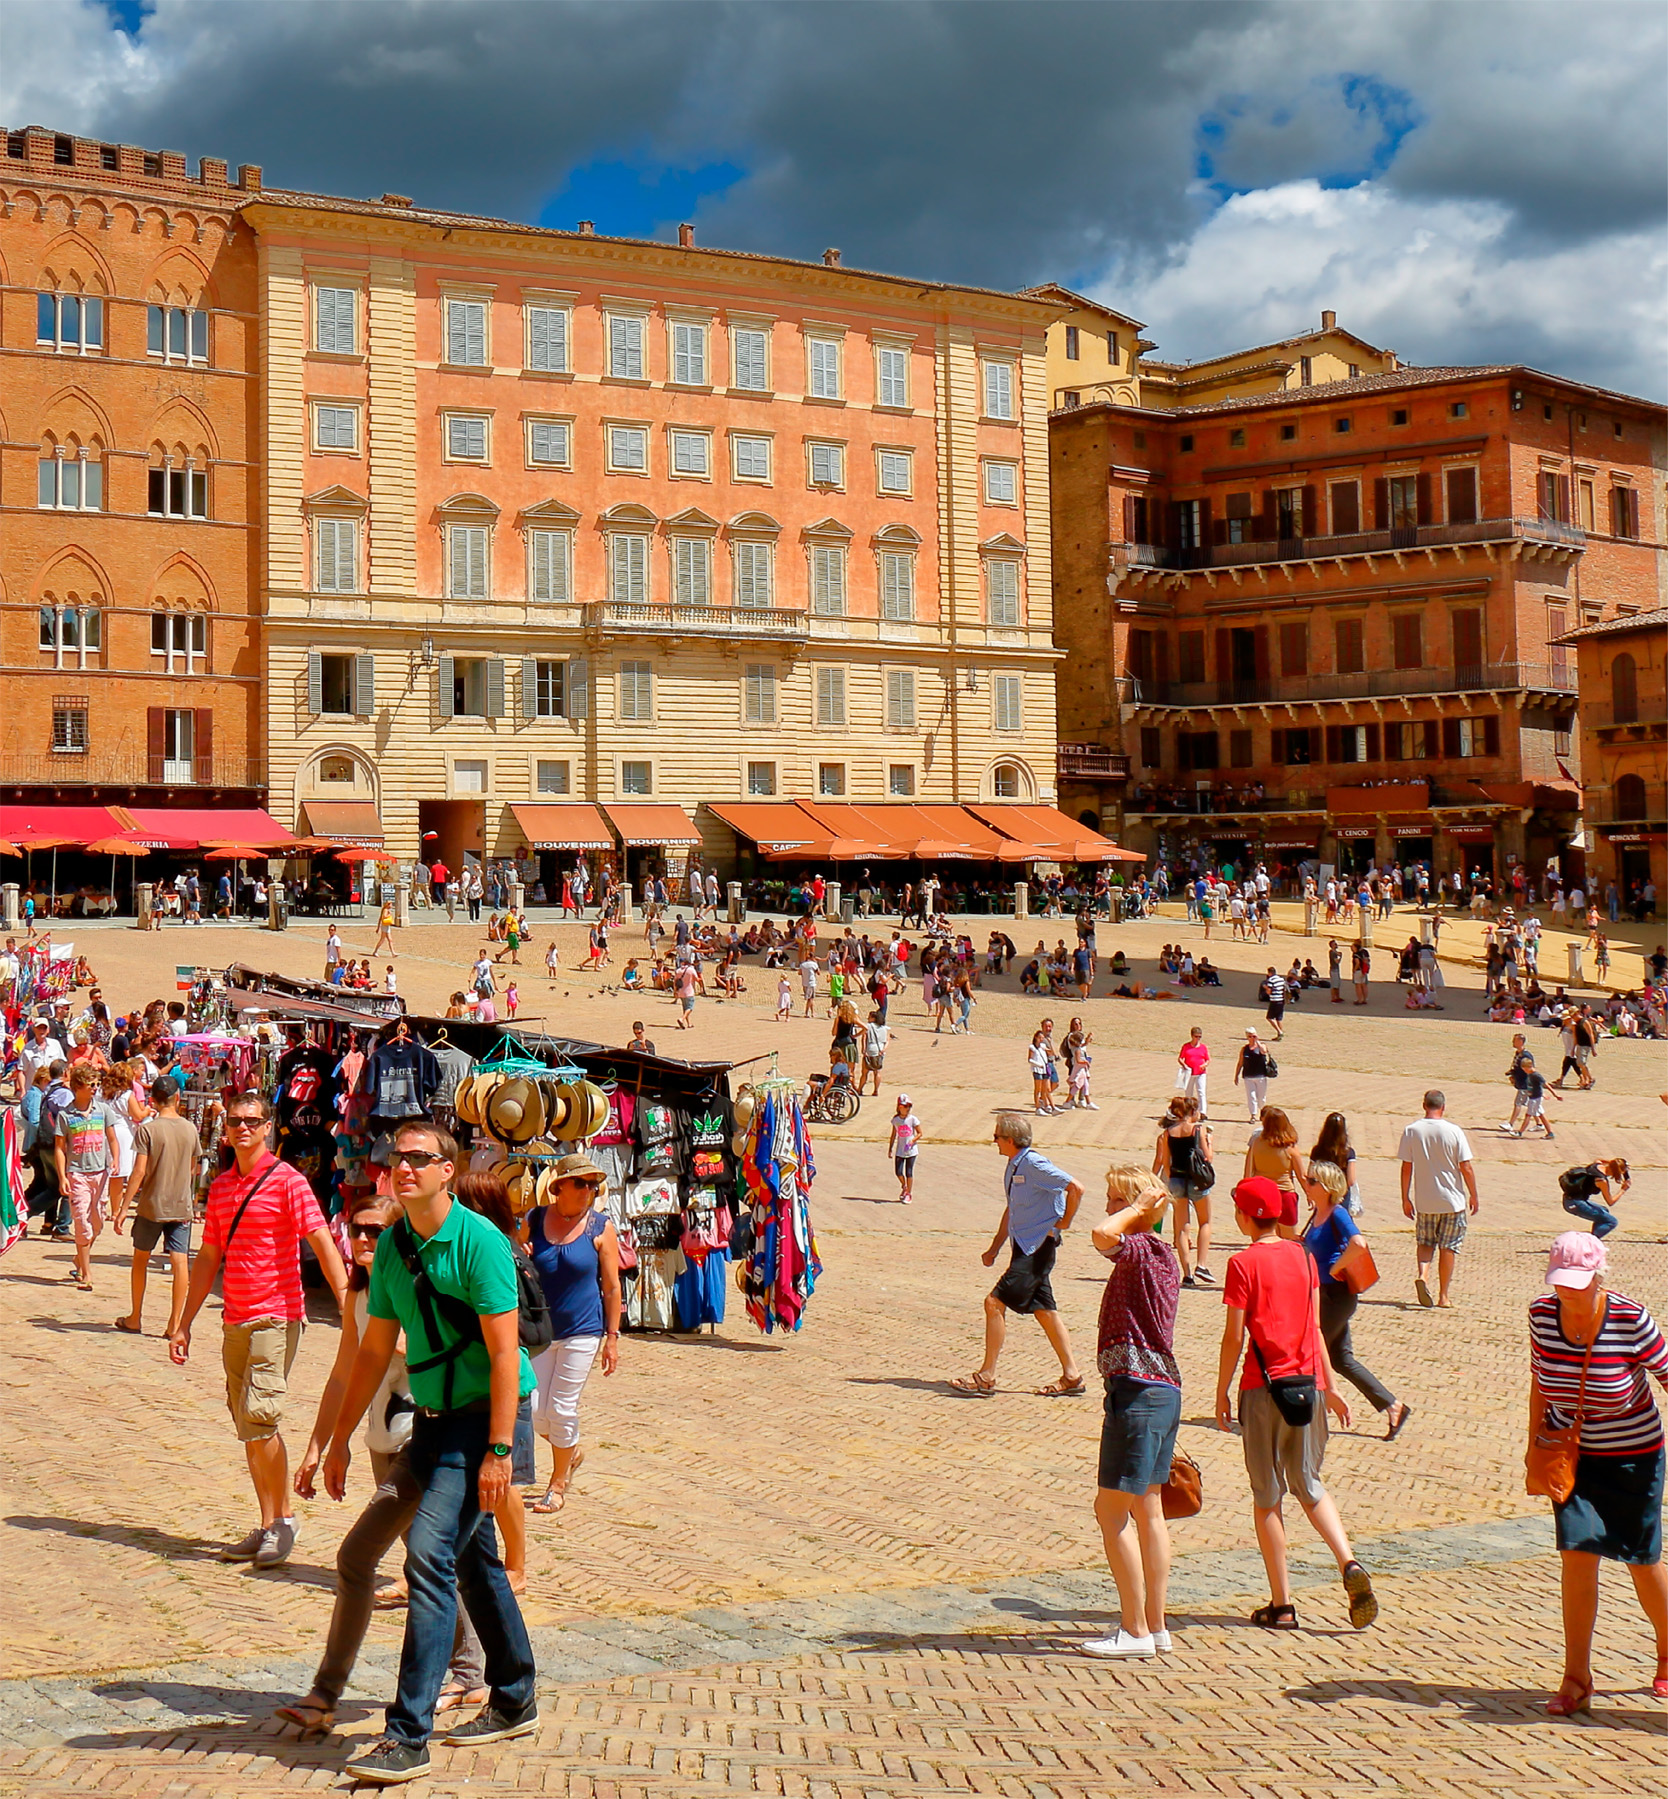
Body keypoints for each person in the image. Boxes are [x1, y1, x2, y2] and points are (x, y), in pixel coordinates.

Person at [322, 1119, 539, 1785]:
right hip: (435, 1419)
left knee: (430, 1554)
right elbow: (373, 1349)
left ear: (449, 1169)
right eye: (398, 1157)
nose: (405, 1166)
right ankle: (515, 1695)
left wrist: (501, 1451)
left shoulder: (479, 1244)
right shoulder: (392, 1245)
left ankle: (408, 1733)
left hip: (486, 1418)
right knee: (474, 1563)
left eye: (421, 1157)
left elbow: (506, 1353)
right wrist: (337, 1440)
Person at [278, 1197, 493, 1743]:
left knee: (426, 1558)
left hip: (426, 1438)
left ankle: (459, 1679)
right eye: (357, 1228)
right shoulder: (358, 1295)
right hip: (384, 1439)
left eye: (379, 1230)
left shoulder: (410, 1290)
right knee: (445, 1559)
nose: (366, 1239)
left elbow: (419, 1351)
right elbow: (344, 1372)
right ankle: (476, 1674)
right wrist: (325, 1444)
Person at [171, 1091, 349, 1569]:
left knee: (261, 1416)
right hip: (235, 1317)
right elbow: (209, 1255)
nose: (242, 1128)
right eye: (234, 1121)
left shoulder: (289, 1181)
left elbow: (322, 1241)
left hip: (277, 1313)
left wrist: (346, 1300)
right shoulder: (223, 1186)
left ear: (268, 1127)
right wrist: (184, 1322)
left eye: (252, 1121)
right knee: (249, 1427)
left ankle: (284, 1521)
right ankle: (268, 1520)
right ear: (226, 1128)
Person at [1215, 1175, 1379, 1633]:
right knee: (1309, 1482)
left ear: (1247, 1216)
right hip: (1306, 1384)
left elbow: (1234, 1336)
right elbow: (1312, 1327)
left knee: (1267, 1496)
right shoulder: (1305, 1257)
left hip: (1261, 1386)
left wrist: (1221, 1389)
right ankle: (1347, 1561)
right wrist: (1329, 1384)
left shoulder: (1242, 1263)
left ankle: (1283, 1604)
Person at [1530, 1232, 1668, 1714]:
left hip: (1636, 1458)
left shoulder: (1631, 1319)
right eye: (1560, 1282)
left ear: (1598, 1276)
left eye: (1578, 1282)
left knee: (1641, 1561)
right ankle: (1576, 1678)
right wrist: (1535, 1451)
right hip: (1576, 1461)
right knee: (1577, 1555)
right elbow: (1540, 1383)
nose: (1567, 1290)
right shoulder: (1541, 1316)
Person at [1082, 1165, 1181, 1659]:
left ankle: (1135, 1629)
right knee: (1149, 1509)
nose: (1106, 1208)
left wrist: (1138, 1210)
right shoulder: (1167, 1254)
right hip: (1162, 1391)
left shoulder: (1140, 1246)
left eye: (1111, 1199)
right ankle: (1155, 1625)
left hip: (1137, 1393)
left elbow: (1102, 1235)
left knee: (1110, 1510)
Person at [949, 1114, 1085, 1398]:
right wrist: (995, 1248)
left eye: (997, 1136)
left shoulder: (1034, 1163)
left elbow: (1075, 1188)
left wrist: (1064, 1222)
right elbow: (1012, 1210)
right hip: (1024, 1246)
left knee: (994, 1302)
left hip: (1038, 1249)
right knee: (1045, 1312)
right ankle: (1072, 1376)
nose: (993, 1140)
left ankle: (986, 1376)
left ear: (1010, 1140)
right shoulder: (1014, 1165)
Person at [524, 1154, 621, 1516]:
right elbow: (513, 1261)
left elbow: (611, 1288)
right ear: (558, 1186)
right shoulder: (534, 1220)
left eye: (593, 1185)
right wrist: (522, 1252)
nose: (588, 1191)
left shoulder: (600, 1228)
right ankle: (571, 1451)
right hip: (541, 1329)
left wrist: (612, 1337)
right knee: (534, 1410)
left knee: (561, 1409)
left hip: (583, 1330)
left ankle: (557, 1483)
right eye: (580, 1183)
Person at [1303, 1160, 1410, 1438]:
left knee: (1313, 1350)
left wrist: (1335, 1267)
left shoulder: (1337, 1214)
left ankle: (1310, 1415)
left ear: (1327, 1187)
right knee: (1340, 1359)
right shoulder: (1316, 1214)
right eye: (1307, 1179)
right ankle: (1393, 1406)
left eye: (1312, 1181)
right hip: (1323, 1295)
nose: (1307, 1184)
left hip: (1336, 1297)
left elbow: (1359, 1243)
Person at [113, 1074, 200, 1338]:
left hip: (151, 1205)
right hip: (180, 1204)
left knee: (140, 1257)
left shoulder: (148, 1130)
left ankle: (135, 1316)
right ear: (178, 1098)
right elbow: (193, 1168)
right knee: (180, 1262)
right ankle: (175, 1324)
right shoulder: (190, 1129)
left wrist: (123, 1207)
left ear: (153, 1100)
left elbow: (139, 1171)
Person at [1398, 1090, 1478, 1309]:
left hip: (1425, 1199)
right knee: (1448, 1247)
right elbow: (1466, 1167)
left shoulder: (1412, 1130)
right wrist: (1474, 1194)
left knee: (1425, 1243)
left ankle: (1423, 1276)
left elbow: (1406, 1167)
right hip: (1452, 1201)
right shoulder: (1454, 1131)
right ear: (1443, 1107)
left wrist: (1405, 1197)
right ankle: (1444, 1295)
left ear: (1424, 1105)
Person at [53, 1062, 119, 1291]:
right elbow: (60, 1148)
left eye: (97, 1084)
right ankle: (87, 1274)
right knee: (82, 1222)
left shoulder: (103, 1110)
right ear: (78, 1086)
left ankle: (80, 1258)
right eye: (91, 1084)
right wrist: (62, 1176)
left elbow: (112, 1138)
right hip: (77, 1174)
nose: (95, 1088)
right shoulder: (65, 1115)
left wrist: (115, 1159)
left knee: (97, 1222)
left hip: (100, 1174)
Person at [1154, 1095, 1214, 1288]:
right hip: (1196, 1180)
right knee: (1204, 1221)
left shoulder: (1168, 1133)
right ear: (1191, 1112)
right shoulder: (1198, 1129)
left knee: (1181, 1227)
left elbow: (1166, 1163)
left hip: (1177, 1180)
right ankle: (1202, 1265)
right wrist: (1210, 1142)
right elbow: (1207, 1157)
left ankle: (1187, 1273)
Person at [1243, 1106, 1305, 1238]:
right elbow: (1302, 1176)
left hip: (1262, 1195)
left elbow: (1248, 1172)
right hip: (1285, 1195)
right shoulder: (1290, 1148)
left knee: (1265, 1237)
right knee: (1289, 1237)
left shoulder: (1257, 1144)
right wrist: (1310, 1194)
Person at [1558, 1158, 1631, 1238]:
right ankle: (1590, 1240)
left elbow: (1598, 1159)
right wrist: (1623, 1190)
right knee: (1611, 1221)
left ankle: (1594, 1237)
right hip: (1575, 1204)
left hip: (1570, 1199)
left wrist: (1614, 1164)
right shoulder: (1601, 1180)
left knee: (1604, 1210)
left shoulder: (1597, 1165)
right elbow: (1610, 1202)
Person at [1233, 1028, 1274, 1123]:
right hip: (1248, 1076)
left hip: (1260, 1076)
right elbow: (1240, 1063)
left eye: (1254, 1036)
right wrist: (1236, 1075)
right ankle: (1253, 1115)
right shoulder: (1244, 1049)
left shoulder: (1261, 1046)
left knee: (1261, 1098)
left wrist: (1257, 1042)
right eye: (1250, 1036)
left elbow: (1264, 1051)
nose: (1252, 1038)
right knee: (1251, 1096)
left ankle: (1262, 1113)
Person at [887, 1094, 921, 1204]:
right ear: (900, 1107)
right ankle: (904, 1186)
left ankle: (908, 1193)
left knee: (909, 1172)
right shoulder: (896, 1120)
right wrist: (890, 1148)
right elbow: (893, 1135)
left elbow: (920, 1133)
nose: (907, 1109)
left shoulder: (912, 1119)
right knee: (898, 1172)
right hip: (900, 1150)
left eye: (909, 1107)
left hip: (911, 1150)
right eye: (905, 1107)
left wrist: (913, 1140)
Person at [1177, 1026, 1209, 1119]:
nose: (1198, 1039)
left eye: (1200, 1037)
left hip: (1200, 1073)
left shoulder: (1203, 1047)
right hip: (1189, 1073)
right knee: (1188, 1093)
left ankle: (1202, 1112)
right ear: (1192, 1036)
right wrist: (1184, 1065)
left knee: (1201, 1092)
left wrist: (1205, 1065)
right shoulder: (1186, 1046)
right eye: (1196, 1036)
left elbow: (1208, 1059)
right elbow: (1180, 1058)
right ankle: (1188, 1111)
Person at [861, 1010, 889, 1098]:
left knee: (865, 1072)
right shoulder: (884, 1028)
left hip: (871, 1049)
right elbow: (887, 1040)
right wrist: (884, 1049)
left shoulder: (868, 1026)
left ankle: (860, 1089)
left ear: (873, 1018)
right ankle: (876, 1090)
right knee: (877, 1072)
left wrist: (863, 1049)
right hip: (880, 1050)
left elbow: (864, 1038)